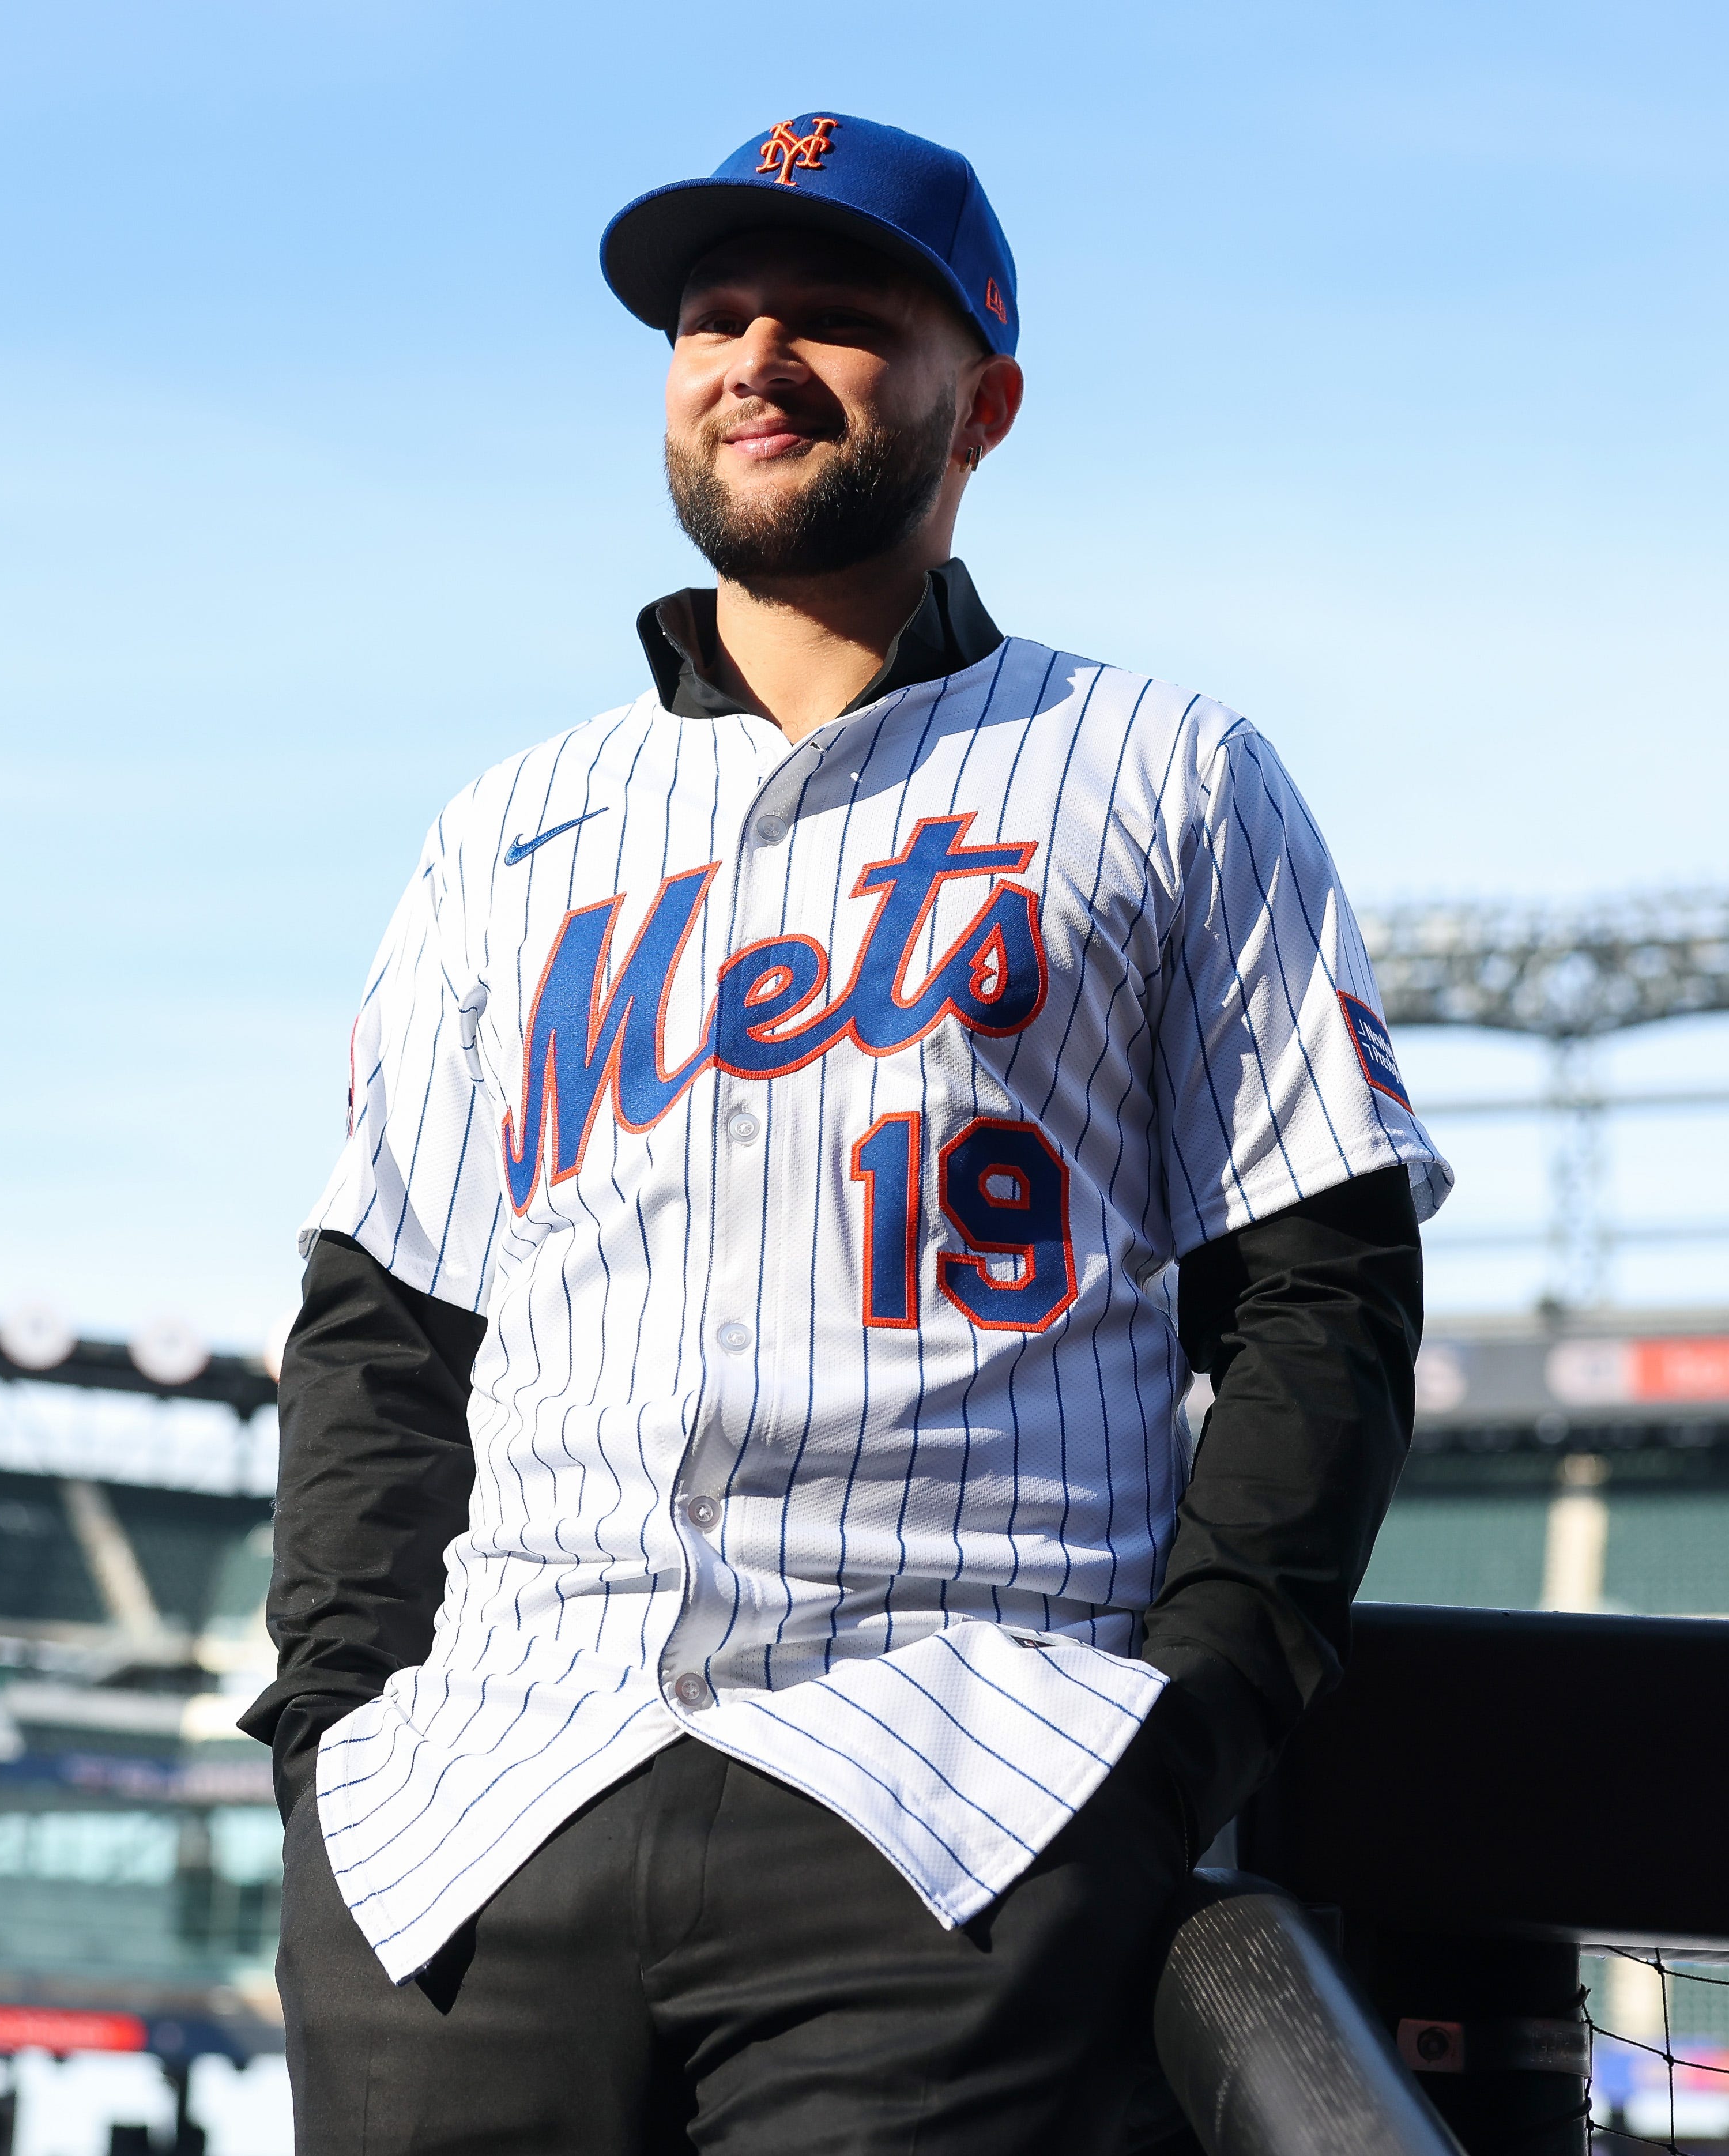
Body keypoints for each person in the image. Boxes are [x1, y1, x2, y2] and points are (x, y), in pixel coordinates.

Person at [244, 109, 1451, 2155]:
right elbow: (383, 1326)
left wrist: (1180, 1729)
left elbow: (1319, 1283)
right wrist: (335, 1733)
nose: (751, 357)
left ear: (978, 399)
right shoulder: (501, 827)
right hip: (472, 1818)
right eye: (711, 317)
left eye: (832, 316)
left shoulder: (1160, 767)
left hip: (951, 1788)